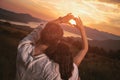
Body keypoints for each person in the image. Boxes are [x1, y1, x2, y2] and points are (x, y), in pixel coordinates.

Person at [16, 13, 88, 80]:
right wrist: (82, 29)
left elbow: (41, 27)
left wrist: (61, 19)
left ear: (41, 34)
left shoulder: (23, 47)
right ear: (57, 42)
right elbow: (84, 49)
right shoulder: (51, 68)